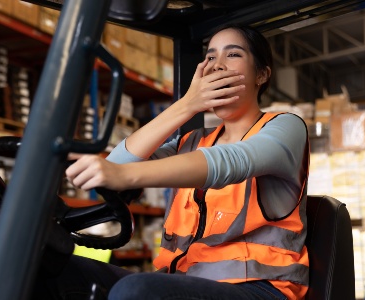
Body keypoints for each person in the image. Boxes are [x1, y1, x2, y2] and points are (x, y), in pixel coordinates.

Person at [45, 24, 310, 300]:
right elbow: (117, 163)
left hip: (258, 288)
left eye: (232, 55)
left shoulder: (285, 128)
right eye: (210, 57)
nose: (217, 66)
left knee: (135, 290)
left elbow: (232, 161)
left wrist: (123, 175)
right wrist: (186, 105)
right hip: (186, 280)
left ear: (262, 74)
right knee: (49, 266)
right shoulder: (193, 141)